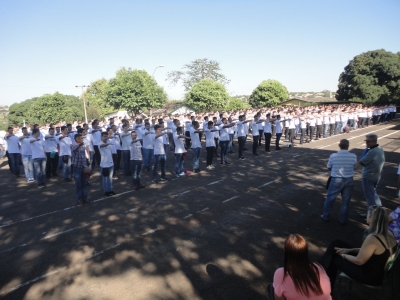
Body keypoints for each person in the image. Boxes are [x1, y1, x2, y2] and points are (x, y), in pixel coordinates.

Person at [319, 206, 396, 290]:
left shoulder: (373, 238)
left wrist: (343, 255)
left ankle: (325, 289)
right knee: (337, 243)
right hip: (377, 270)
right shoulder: (389, 233)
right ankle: (318, 271)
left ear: (371, 219)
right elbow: (369, 251)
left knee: (334, 259)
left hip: (370, 276)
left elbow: (359, 261)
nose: (366, 216)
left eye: (368, 214)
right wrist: (349, 250)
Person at [271, 234, 332, 300]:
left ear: (287, 253)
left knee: (272, 288)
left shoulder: (281, 274)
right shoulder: (318, 267)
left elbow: (279, 299)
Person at [321, 139, 357, 224]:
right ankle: (342, 219)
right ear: (348, 146)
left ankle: (326, 216)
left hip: (336, 179)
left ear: (339, 145)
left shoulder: (333, 155)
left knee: (330, 199)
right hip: (349, 179)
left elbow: (329, 167)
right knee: (346, 201)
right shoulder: (353, 156)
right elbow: (354, 167)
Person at [359, 133, 385, 218]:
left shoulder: (372, 152)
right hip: (376, 175)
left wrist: (366, 151)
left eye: (368, 141)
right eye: (366, 141)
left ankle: (372, 217)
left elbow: (362, 162)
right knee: (374, 194)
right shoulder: (379, 148)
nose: (367, 143)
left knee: (370, 197)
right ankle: (372, 213)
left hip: (368, 176)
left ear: (374, 141)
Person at [71, 133, 90, 204]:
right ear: (77, 139)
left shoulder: (83, 145)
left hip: (83, 166)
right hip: (77, 167)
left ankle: (85, 198)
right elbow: (74, 151)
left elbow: (84, 154)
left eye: (82, 138)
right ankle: (80, 198)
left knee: (84, 183)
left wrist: (87, 163)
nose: (82, 139)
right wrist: (79, 145)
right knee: (78, 184)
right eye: (81, 138)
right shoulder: (73, 145)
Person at [99, 132, 116, 197]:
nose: (105, 138)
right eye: (104, 136)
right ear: (101, 137)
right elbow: (102, 145)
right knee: (105, 179)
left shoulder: (109, 144)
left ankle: (110, 189)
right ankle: (106, 191)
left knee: (110, 178)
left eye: (106, 136)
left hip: (111, 163)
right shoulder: (99, 143)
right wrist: (108, 143)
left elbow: (110, 153)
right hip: (104, 164)